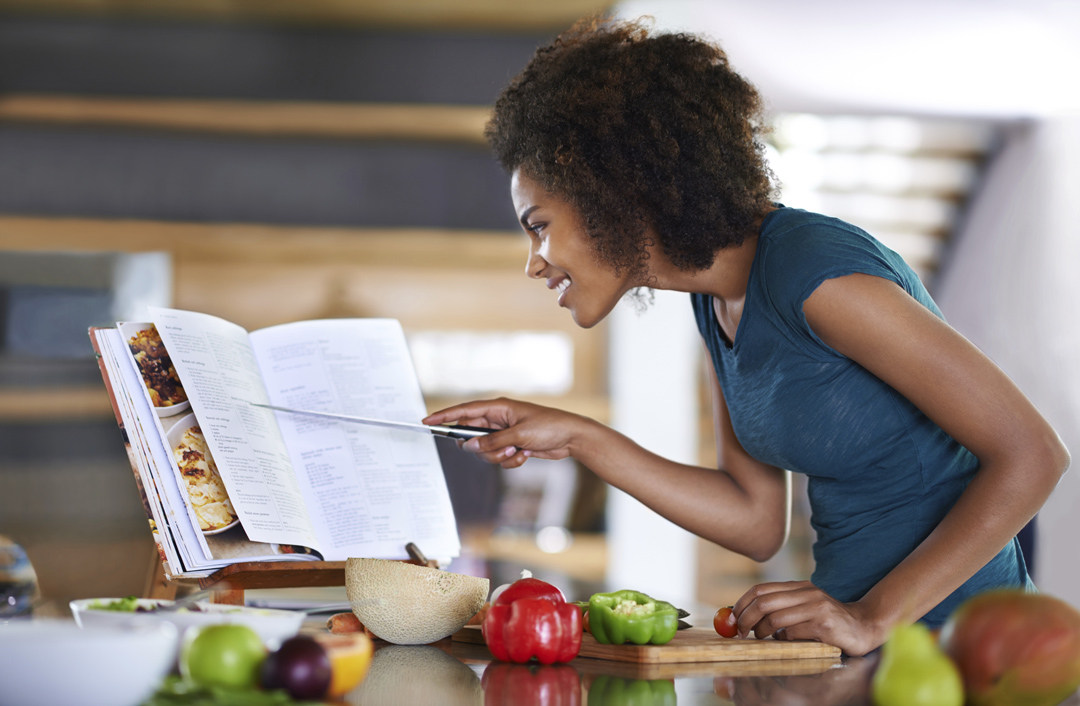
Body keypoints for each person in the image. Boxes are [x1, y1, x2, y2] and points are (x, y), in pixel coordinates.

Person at [423, 16, 1069, 656]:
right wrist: (578, 436)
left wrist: (872, 616)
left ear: (613, 192)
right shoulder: (714, 303)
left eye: (538, 226)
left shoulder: (815, 274)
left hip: (965, 648)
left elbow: (1033, 454)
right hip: (855, 645)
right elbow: (755, 520)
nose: (533, 260)